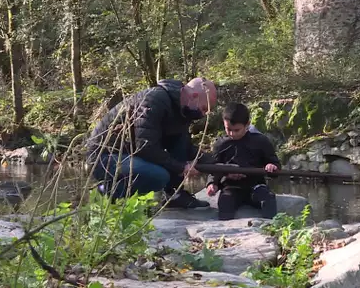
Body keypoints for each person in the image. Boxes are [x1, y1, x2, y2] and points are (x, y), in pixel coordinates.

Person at [86, 77, 217, 209]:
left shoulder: (182, 111)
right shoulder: (154, 100)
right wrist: (181, 167)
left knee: (180, 141)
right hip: (104, 156)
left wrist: (216, 161)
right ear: (194, 96)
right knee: (159, 176)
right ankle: (103, 193)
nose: (204, 114)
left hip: (131, 154)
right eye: (204, 108)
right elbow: (144, 146)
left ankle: (174, 195)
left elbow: (185, 148)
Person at [206, 102, 280, 220]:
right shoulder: (220, 144)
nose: (232, 134)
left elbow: (275, 164)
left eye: (236, 130)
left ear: (247, 125)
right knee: (225, 202)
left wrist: (272, 166)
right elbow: (213, 168)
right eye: (228, 129)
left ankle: (271, 227)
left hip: (255, 185)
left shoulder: (261, 141)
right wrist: (212, 183)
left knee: (268, 198)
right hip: (231, 187)